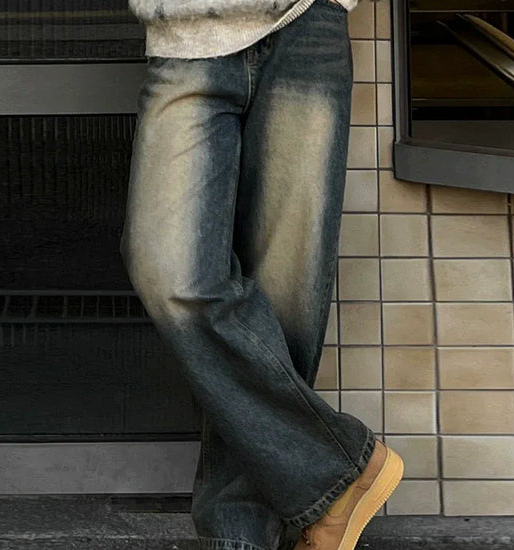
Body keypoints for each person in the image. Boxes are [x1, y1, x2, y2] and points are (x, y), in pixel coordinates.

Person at [120, 0, 404, 549]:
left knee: (285, 301)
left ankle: (240, 537)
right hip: (185, 31)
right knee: (169, 272)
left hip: (307, 22)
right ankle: (341, 469)